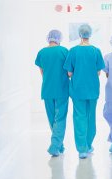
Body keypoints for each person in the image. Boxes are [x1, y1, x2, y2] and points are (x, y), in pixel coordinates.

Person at [63, 24, 105, 159]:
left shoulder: (73, 51)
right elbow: (98, 72)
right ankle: (88, 144)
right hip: (92, 89)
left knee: (79, 117)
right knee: (90, 117)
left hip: (77, 90)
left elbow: (69, 73)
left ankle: (82, 149)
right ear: (90, 34)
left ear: (79, 34)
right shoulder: (96, 51)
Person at [35, 29, 69, 157]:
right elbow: (69, 71)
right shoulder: (64, 51)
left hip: (47, 89)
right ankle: (55, 146)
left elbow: (42, 72)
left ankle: (58, 144)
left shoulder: (42, 52)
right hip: (62, 89)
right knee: (60, 118)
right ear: (59, 38)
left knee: (51, 118)